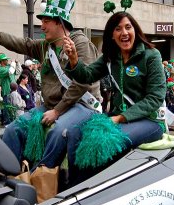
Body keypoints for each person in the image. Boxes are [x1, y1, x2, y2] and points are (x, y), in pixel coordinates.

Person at [0, 0, 101, 174]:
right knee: (13, 129)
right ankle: (10, 176)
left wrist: (57, 111)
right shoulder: (45, 46)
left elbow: (83, 84)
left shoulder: (80, 44)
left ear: (59, 21)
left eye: (46, 21)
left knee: (59, 131)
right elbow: (15, 42)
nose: (41, 26)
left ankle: (38, 176)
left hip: (81, 104)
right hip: (53, 104)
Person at [64, 11, 165, 185]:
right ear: (112, 35)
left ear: (135, 30)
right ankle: (75, 187)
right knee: (74, 133)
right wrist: (74, 60)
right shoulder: (110, 58)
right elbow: (87, 76)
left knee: (105, 142)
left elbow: (155, 97)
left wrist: (119, 118)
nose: (124, 33)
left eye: (128, 27)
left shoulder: (151, 55)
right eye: (118, 29)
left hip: (149, 121)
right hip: (117, 118)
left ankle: (92, 188)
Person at [0, 53, 21, 125]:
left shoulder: (10, 66)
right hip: (7, 91)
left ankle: (13, 122)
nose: (7, 60)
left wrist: (18, 63)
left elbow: (18, 71)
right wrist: (13, 62)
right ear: (2, 61)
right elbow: (10, 71)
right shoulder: (0, 69)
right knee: (7, 108)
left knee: (14, 107)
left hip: (14, 91)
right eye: (5, 59)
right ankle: (7, 123)